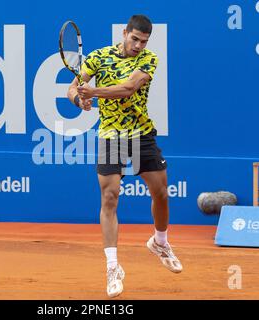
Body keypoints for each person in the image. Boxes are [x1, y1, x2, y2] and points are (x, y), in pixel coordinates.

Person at [67, 14, 183, 298]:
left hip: (141, 133)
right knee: (109, 197)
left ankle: (160, 241)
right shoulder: (97, 57)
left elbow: (128, 89)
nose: (139, 45)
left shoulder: (148, 60)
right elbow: (72, 88)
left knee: (161, 193)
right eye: (135, 39)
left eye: (143, 42)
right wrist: (78, 99)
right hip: (110, 135)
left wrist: (93, 91)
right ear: (124, 33)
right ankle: (112, 267)